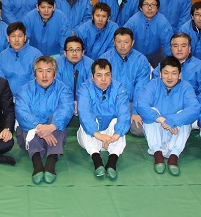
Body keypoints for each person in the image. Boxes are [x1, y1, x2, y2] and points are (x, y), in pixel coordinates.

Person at [136, 56, 200, 176]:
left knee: (184, 115)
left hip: (176, 129)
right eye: (166, 73)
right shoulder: (153, 85)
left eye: (174, 73)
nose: (170, 77)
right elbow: (141, 104)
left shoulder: (186, 87)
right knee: (151, 112)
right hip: (158, 128)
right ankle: (157, 154)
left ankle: (174, 156)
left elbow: (195, 109)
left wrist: (172, 121)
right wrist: (161, 119)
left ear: (179, 75)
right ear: (160, 74)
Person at [15, 56, 73, 184]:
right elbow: (21, 112)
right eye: (40, 71)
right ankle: (37, 164)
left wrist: (51, 127)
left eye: (48, 71)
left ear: (55, 73)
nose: (44, 75)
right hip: (29, 137)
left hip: (55, 135)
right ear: (35, 73)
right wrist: (40, 128)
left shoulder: (64, 89)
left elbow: (66, 109)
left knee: (57, 121)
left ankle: (51, 163)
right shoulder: (24, 90)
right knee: (27, 125)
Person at [76, 59, 130, 180]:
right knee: (87, 124)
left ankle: (112, 162)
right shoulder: (84, 89)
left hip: (110, 136)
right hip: (91, 135)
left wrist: (116, 135)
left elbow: (124, 113)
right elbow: (85, 114)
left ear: (111, 75)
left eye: (107, 75)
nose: (104, 79)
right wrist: (97, 134)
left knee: (118, 122)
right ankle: (97, 162)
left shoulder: (120, 89)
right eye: (99, 75)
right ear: (92, 76)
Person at [99, 27, 152, 136]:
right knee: (101, 126)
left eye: (126, 42)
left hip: (131, 104)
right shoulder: (104, 59)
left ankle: (123, 121)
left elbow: (141, 90)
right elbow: (98, 86)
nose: (122, 46)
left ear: (133, 42)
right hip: (110, 103)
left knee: (139, 130)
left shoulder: (141, 60)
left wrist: (136, 112)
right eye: (119, 42)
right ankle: (120, 121)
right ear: (114, 42)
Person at [152, 33, 201, 97]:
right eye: (175, 46)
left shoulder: (200, 67)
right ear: (171, 49)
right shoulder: (162, 66)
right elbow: (154, 89)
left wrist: (195, 105)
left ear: (189, 48)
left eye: (183, 46)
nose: (179, 49)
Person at [0, 22, 42, 97]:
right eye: (13, 36)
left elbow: (37, 80)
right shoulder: (3, 55)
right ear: (8, 39)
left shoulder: (36, 55)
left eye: (20, 36)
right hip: (7, 98)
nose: (16, 40)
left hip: (29, 98)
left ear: (25, 38)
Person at [124, 0, 173, 67]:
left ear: (157, 8)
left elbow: (168, 46)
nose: (150, 8)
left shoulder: (163, 22)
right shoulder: (133, 21)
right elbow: (124, 39)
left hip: (156, 55)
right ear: (140, 7)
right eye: (146, 5)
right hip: (135, 55)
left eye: (153, 5)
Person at [55, 36, 94, 114]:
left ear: (83, 52)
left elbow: (91, 88)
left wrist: (80, 103)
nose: (74, 53)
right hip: (61, 104)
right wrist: (69, 104)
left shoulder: (90, 64)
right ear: (64, 53)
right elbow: (56, 88)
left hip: (85, 104)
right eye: (71, 50)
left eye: (78, 50)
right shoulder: (56, 64)